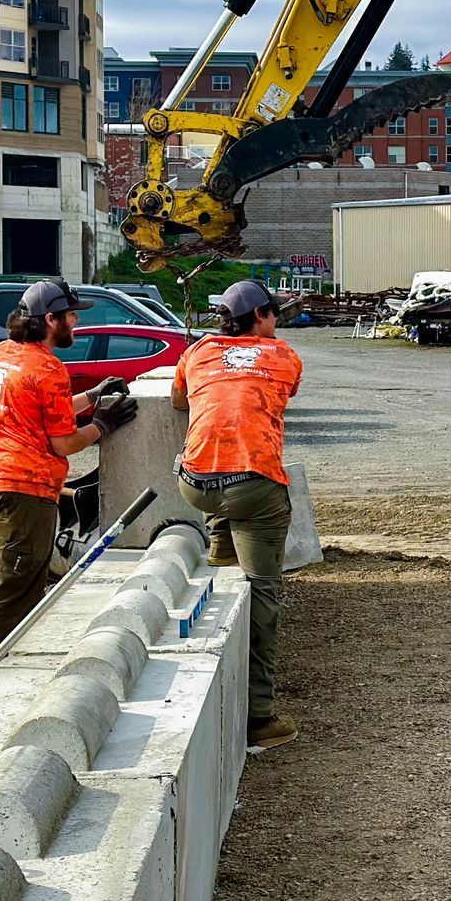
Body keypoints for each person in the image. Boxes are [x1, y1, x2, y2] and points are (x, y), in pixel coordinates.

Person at [0, 279, 138, 666]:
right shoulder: (48, 368)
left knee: (20, 588)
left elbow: (35, 414)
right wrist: (102, 425)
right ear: (50, 319)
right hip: (24, 495)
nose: (76, 321)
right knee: (11, 592)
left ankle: (4, 675)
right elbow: (63, 443)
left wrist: (92, 397)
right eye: (72, 315)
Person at [172, 278, 305, 750]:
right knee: (265, 595)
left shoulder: (198, 352)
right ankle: (258, 719)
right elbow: (269, 402)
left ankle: (220, 541)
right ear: (263, 316)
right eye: (274, 314)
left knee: (208, 459)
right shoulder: (284, 356)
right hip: (252, 488)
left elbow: (179, 402)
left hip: (195, 487)